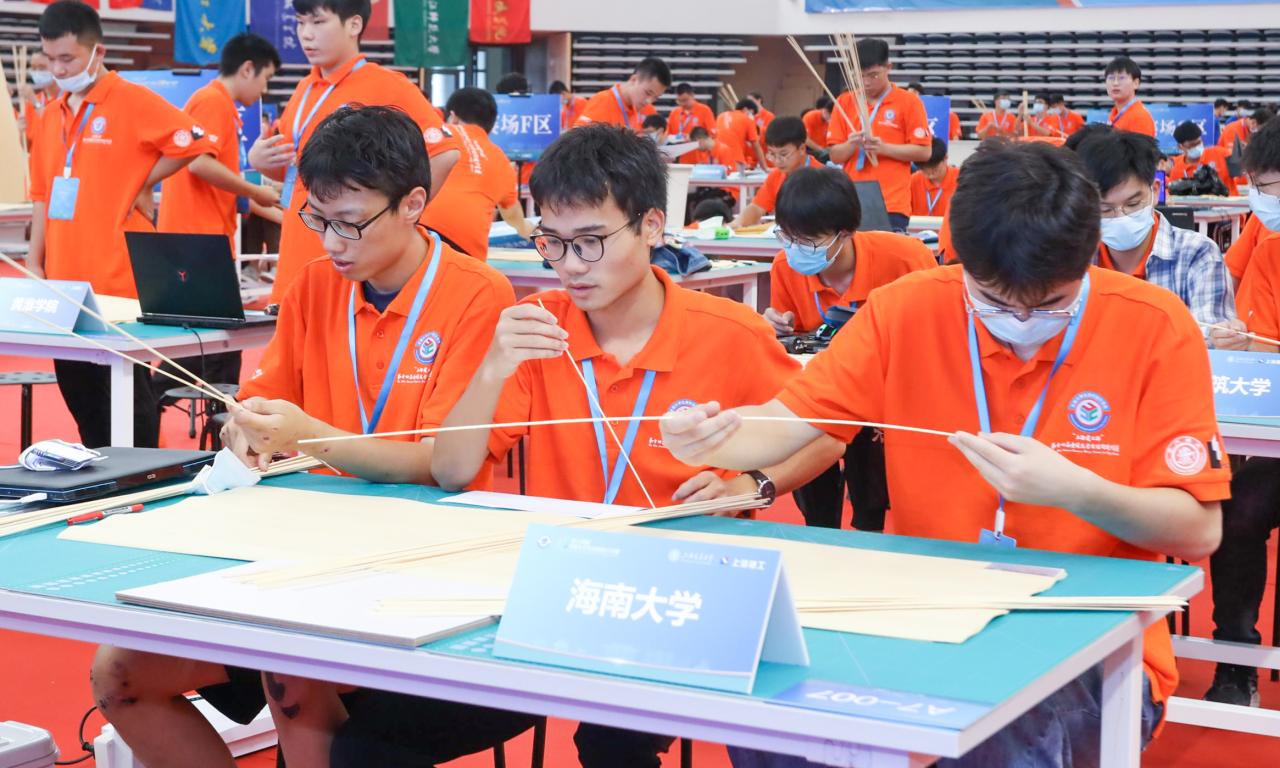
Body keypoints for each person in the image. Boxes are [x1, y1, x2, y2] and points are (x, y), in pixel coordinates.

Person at [660, 140, 1227, 766]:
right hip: (923, 614)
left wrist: (1075, 490)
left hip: (1090, 635)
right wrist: (713, 436)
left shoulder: (1153, 324)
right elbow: (789, 420)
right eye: (993, 300)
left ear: (1088, 258)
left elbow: (1198, 530)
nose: (1019, 319)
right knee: (775, 723)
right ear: (961, 261)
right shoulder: (907, 308)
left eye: (1049, 304)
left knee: (1001, 741)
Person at [91, 105, 524, 768]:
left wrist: (311, 437)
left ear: (413, 204)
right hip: (298, 546)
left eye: (350, 222)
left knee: (290, 669)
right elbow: (263, 400)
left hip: (425, 561)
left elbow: (443, 465)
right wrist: (246, 427)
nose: (333, 242)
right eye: (317, 220)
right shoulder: (315, 286)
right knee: (118, 675)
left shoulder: (478, 296)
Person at [432, 124, 842, 768]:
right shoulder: (538, 333)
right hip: (562, 586)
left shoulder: (730, 333)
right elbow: (453, 471)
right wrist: (491, 369)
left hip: (686, 591)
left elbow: (827, 435)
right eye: (551, 242)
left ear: (652, 226)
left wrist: (752, 483)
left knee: (618, 741)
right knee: (381, 727)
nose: (569, 265)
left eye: (590, 242)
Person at [28, 0, 218, 448]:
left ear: (98, 52)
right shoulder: (50, 115)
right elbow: (41, 196)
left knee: (128, 400)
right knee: (81, 397)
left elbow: (193, 142)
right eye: (50, 59)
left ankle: (146, 476)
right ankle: (102, 474)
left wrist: (142, 180)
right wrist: (35, 262)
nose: (58, 69)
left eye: (67, 58)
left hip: (118, 281)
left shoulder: (131, 100)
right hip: (64, 284)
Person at [247, 0, 460, 303]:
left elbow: (445, 154)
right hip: (297, 256)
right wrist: (260, 161)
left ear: (354, 25)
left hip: (351, 266)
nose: (306, 34)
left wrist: (396, 223)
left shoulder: (388, 86)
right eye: (301, 22)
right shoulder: (304, 90)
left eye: (318, 22)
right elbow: (301, 173)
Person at [763, 167, 935, 531]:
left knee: (870, 476)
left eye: (808, 241)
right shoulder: (785, 267)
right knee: (808, 445)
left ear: (845, 233)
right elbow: (794, 344)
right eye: (786, 236)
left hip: (888, 391)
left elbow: (933, 332)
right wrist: (778, 325)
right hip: (826, 390)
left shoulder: (906, 259)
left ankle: (869, 526)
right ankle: (819, 527)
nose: (795, 248)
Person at [1204, 119, 1280, 707]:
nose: (1263, 200)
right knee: (1235, 515)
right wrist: (1237, 340)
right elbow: (1258, 350)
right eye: (1260, 187)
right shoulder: (1269, 245)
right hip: (1271, 439)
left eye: (1270, 187)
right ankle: (1236, 660)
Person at [1073, 129, 1241, 338]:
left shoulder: (1198, 254)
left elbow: (1209, 338)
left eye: (1133, 204)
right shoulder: (1073, 259)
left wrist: (1224, 338)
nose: (1120, 217)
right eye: (1105, 209)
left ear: (1155, 190)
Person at [158, 33, 282, 254]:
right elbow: (199, 163)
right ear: (247, 69)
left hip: (202, 236)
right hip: (198, 237)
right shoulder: (213, 102)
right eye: (266, 78)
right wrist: (255, 191)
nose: (265, 89)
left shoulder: (218, 103)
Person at [827, 38, 931, 231]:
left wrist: (884, 148)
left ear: (888, 67)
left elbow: (924, 152)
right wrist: (851, 144)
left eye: (873, 75)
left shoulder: (909, 101)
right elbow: (835, 155)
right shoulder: (845, 101)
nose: (866, 82)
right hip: (851, 201)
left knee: (886, 250)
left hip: (891, 203)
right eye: (860, 76)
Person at [422, 87, 531, 259]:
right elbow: (512, 215)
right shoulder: (501, 159)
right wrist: (525, 228)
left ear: (453, 116)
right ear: (491, 126)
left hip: (420, 237)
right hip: (468, 254)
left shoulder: (437, 134)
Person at [728, 116, 813, 230]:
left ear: (802, 149)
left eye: (783, 154)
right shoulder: (776, 175)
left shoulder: (822, 177)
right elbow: (757, 207)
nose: (777, 161)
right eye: (772, 154)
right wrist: (737, 223)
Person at [574, 56, 670, 131]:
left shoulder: (645, 109)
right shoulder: (603, 101)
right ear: (634, 80)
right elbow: (576, 143)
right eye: (648, 93)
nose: (649, 101)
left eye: (655, 97)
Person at [1169, 120, 1238, 195]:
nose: (1196, 147)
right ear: (1180, 147)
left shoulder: (1222, 154)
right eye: (1191, 145)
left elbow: (1242, 171)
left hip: (1229, 200)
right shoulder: (1177, 170)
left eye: (1199, 143)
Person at [1104, 56, 1156, 137]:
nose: (1115, 83)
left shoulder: (1139, 117)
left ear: (1136, 83)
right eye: (1111, 78)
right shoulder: (1114, 113)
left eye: (1121, 78)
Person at [18, 50, 58, 152]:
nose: (37, 72)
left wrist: (34, 100)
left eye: (42, 67)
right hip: (36, 161)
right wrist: (20, 132)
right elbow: (26, 147)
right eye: (33, 68)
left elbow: (55, 127)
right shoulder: (30, 104)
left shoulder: (67, 99)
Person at [909, 137, 959, 217]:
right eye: (923, 168)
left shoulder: (961, 179)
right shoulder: (913, 181)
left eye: (933, 167)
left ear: (945, 158)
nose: (929, 172)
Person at [715, 98, 766, 171]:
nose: (752, 116)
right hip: (735, 159)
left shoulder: (721, 116)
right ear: (745, 109)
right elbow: (756, 146)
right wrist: (764, 167)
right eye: (752, 113)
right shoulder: (748, 120)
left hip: (717, 159)